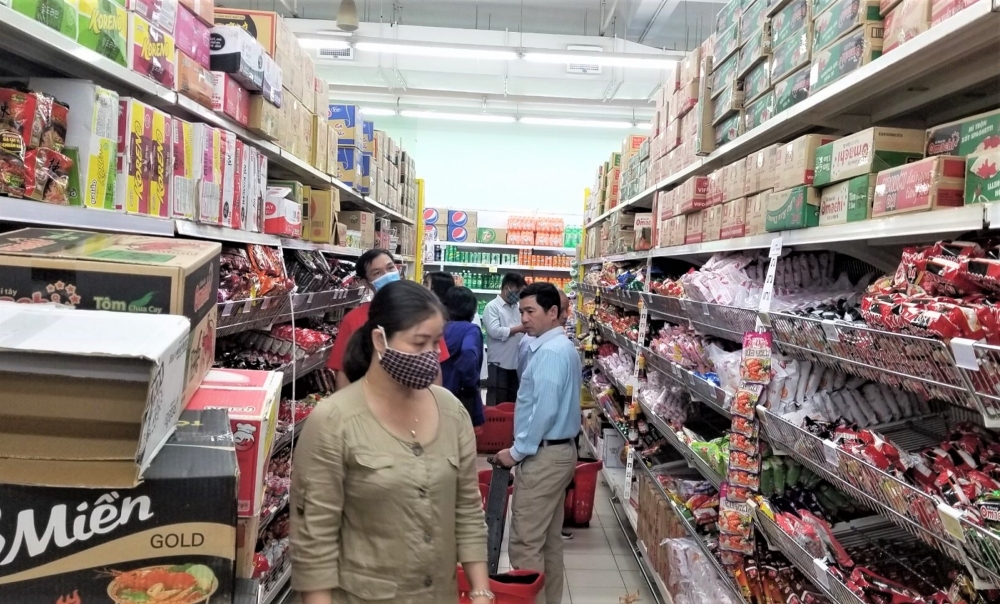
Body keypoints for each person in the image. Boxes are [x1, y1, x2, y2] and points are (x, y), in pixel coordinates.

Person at [291, 280, 494, 604]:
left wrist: (481, 591)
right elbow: (314, 540)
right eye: (419, 342)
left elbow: (467, 508)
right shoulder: (334, 421)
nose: (432, 354)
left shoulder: (451, 412)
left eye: (436, 342)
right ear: (380, 340)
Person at [495, 282, 582, 604]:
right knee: (548, 541)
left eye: (531, 311)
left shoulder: (549, 353)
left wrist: (517, 452)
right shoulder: (561, 347)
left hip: (544, 456)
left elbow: (544, 409)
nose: (524, 319)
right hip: (558, 452)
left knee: (526, 542)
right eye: (521, 312)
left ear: (553, 312)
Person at [328, 248, 450, 390]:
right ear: (366, 283)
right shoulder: (353, 319)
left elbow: (435, 367)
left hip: (416, 396)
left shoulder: (422, 312)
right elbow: (343, 372)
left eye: (390, 268)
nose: (387, 275)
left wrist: (431, 400)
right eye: (377, 273)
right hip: (367, 397)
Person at [441, 286, 486, 426]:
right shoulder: (470, 329)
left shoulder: (441, 327)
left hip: (438, 390)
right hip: (459, 394)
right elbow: (468, 352)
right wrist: (469, 385)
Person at [483, 272, 527, 406]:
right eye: (517, 292)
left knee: (513, 403)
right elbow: (494, 331)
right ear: (507, 288)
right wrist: (519, 328)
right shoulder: (492, 307)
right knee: (498, 403)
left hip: (516, 364)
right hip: (498, 364)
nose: (519, 296)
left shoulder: (517, 307)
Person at [517, 289, 570, 379]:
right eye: (561, 310)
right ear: (552, 312)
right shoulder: (532, 343)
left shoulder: (555, 346)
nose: (565, 315)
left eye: (567, 310)